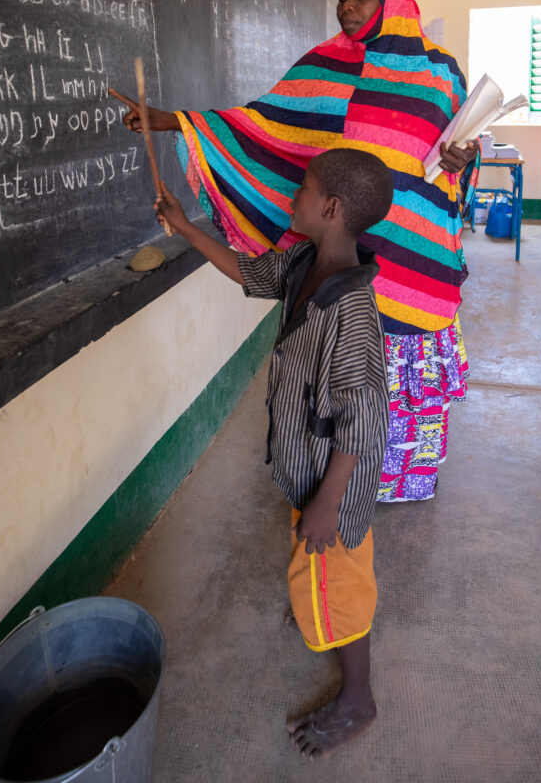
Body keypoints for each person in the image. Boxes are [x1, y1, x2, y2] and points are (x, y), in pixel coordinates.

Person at [116, 0, 479, 504]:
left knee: (389, 378)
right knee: (345, 371)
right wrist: (175, 121)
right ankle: (336, 483)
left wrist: (463, 157)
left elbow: (463, 145)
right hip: (348, 248)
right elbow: (266, 127)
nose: (347, 6)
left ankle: (384, 485)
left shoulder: (441, 73)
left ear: (393, 0)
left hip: (415, 251)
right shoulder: (322, 67)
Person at [155, 148, 393, 759]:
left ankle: (358, 699)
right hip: (308, 467)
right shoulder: (303, 262)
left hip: (334, 485)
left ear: (331, 209)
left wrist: (328, 504)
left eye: (302, 189)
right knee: (317, 562)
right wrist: (184, 227)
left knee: (342, 578)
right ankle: (316, 603)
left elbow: (365, 421)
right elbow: (249, 275)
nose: (293, 197)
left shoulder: (351, 311)